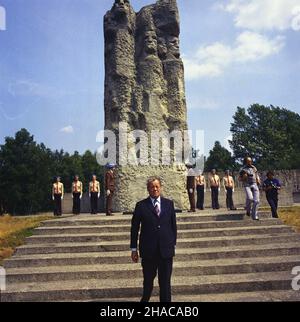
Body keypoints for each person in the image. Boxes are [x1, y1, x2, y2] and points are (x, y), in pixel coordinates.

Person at [130, 176, 177, 303]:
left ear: (160, 188)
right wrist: (134, 249)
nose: (154, 189)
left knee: (165, 283)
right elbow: (134, 229)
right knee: (148, 283)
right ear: (148, 189)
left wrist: (173, 244)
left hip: (165, 251)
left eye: (157, 186)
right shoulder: (141, 206)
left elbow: (173, 226)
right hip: (148, 252)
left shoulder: (169, 204)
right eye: (152, 187)